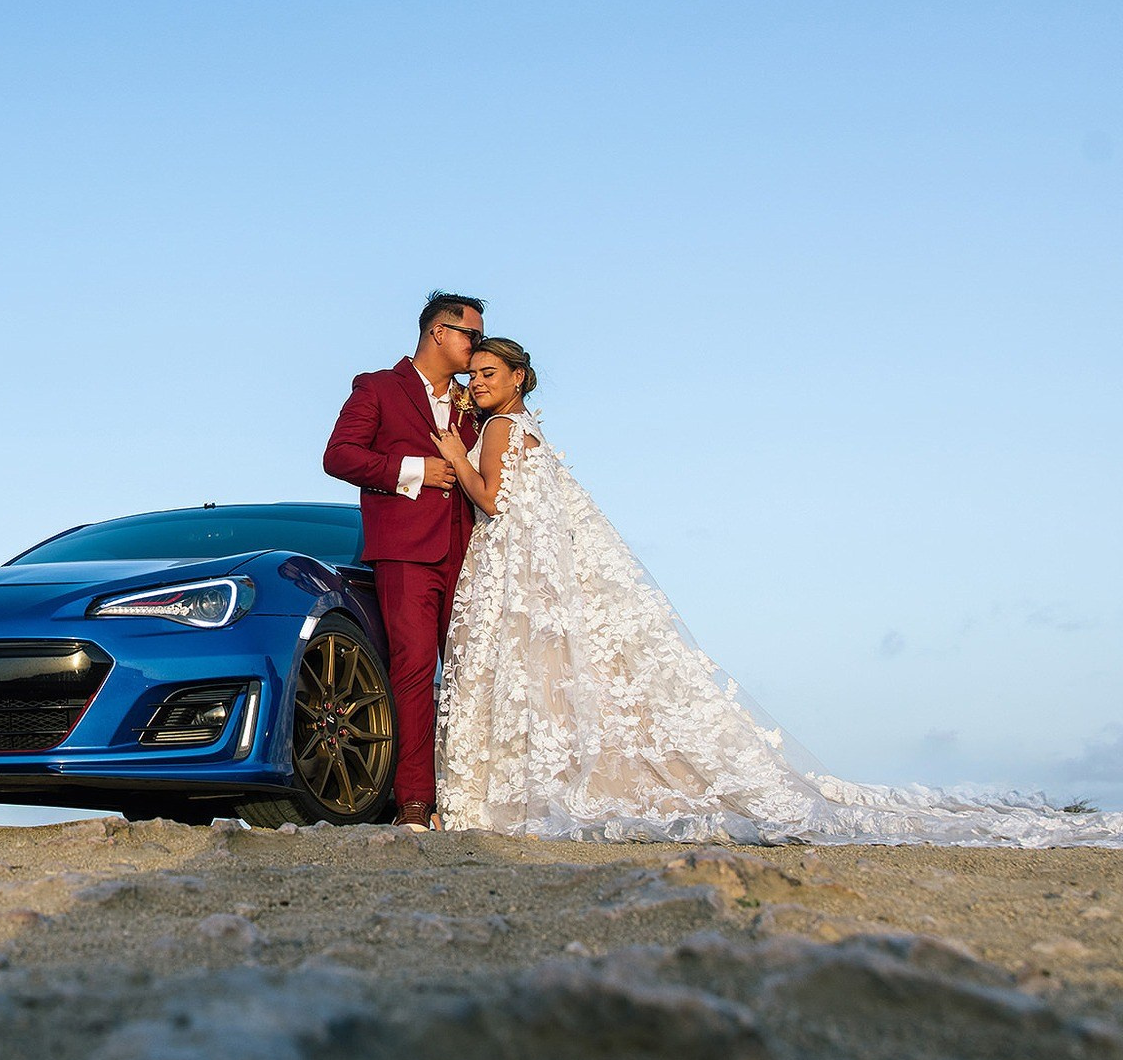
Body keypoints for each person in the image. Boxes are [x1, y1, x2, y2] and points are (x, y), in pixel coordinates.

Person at [430, 338, 1123, 845]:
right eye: (476, 375)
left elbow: (492, 502)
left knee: (519, 672)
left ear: (519, 378)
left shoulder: (499, 429)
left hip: (508, 564)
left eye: (491, 374)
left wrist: (457, 457)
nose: (480, 383)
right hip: (525, 567)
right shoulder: (530, 430)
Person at [322, 291, 485, 830]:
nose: (479, 345)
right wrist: (414, 470)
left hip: (474, 554)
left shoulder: (476, 398)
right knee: (413, 669)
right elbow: (339, 455)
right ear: (439, 332)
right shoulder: (378, 387)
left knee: (474, 673)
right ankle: (415, 801)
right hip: (407, 554)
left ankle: (473, 797)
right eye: (472, 335)